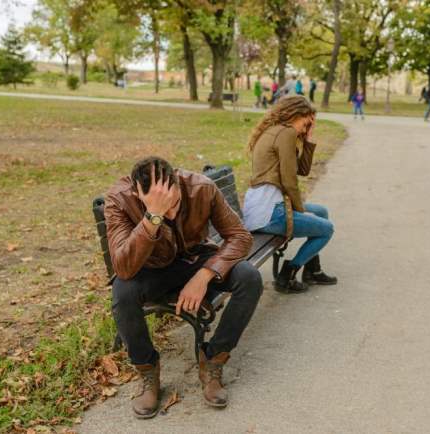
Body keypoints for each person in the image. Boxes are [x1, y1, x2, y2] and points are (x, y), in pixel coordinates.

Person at [105, 157, 262, 418]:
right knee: (123, 293)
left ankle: (212, 361)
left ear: (177, 182)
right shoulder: (120, 199)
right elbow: (123, 267)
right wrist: (152, 217)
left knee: (250, 277)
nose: (171, 214)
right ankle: (148, 373)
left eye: (174, 202)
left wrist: (204, 275)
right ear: (137, 193)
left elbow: (240, 236)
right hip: (151, 267)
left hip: (195, 259)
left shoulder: (201, 187)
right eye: (160, 208)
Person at [243, 96, 338, 293]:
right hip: (269, 213)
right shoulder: (285, 133)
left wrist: (308, 138)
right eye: (307, 123)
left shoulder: (278, 131)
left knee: (321, 211)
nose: (307, 127)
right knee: (327, 229)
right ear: (296, 115)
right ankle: (289, 272)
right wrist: (300, 210)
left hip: (266, 205)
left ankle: (312, 270)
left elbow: (302, 171)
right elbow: (289, 181)